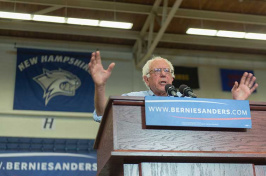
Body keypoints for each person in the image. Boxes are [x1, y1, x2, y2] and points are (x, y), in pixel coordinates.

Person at [88, 51, 259, 122]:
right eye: (157, 71)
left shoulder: (187, 100)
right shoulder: (133, 99)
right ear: (146, 80)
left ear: (173, 77)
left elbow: (217, 120)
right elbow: (102, 116)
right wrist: (100, 86)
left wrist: (238, 104)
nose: (163, 74)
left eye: (167, 71)